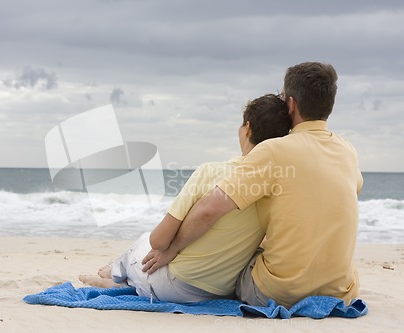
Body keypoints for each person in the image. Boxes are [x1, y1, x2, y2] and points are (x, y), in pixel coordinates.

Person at [142, 62, 363, 308]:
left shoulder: (273, 151)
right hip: (340, 289)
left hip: (278, 292)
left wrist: (172, 249)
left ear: (291, 104)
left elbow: (208, 209)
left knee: (239, 265)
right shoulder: (348, 151)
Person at [79, 94, 291, 303]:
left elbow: (159, 241)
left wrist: (171, 248)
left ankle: (114, 275)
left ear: (248, 128)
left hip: (177, 285)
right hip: (222, 289)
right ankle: (118, 274)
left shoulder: (211, 172)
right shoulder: (277, 186)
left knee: (145, 241)